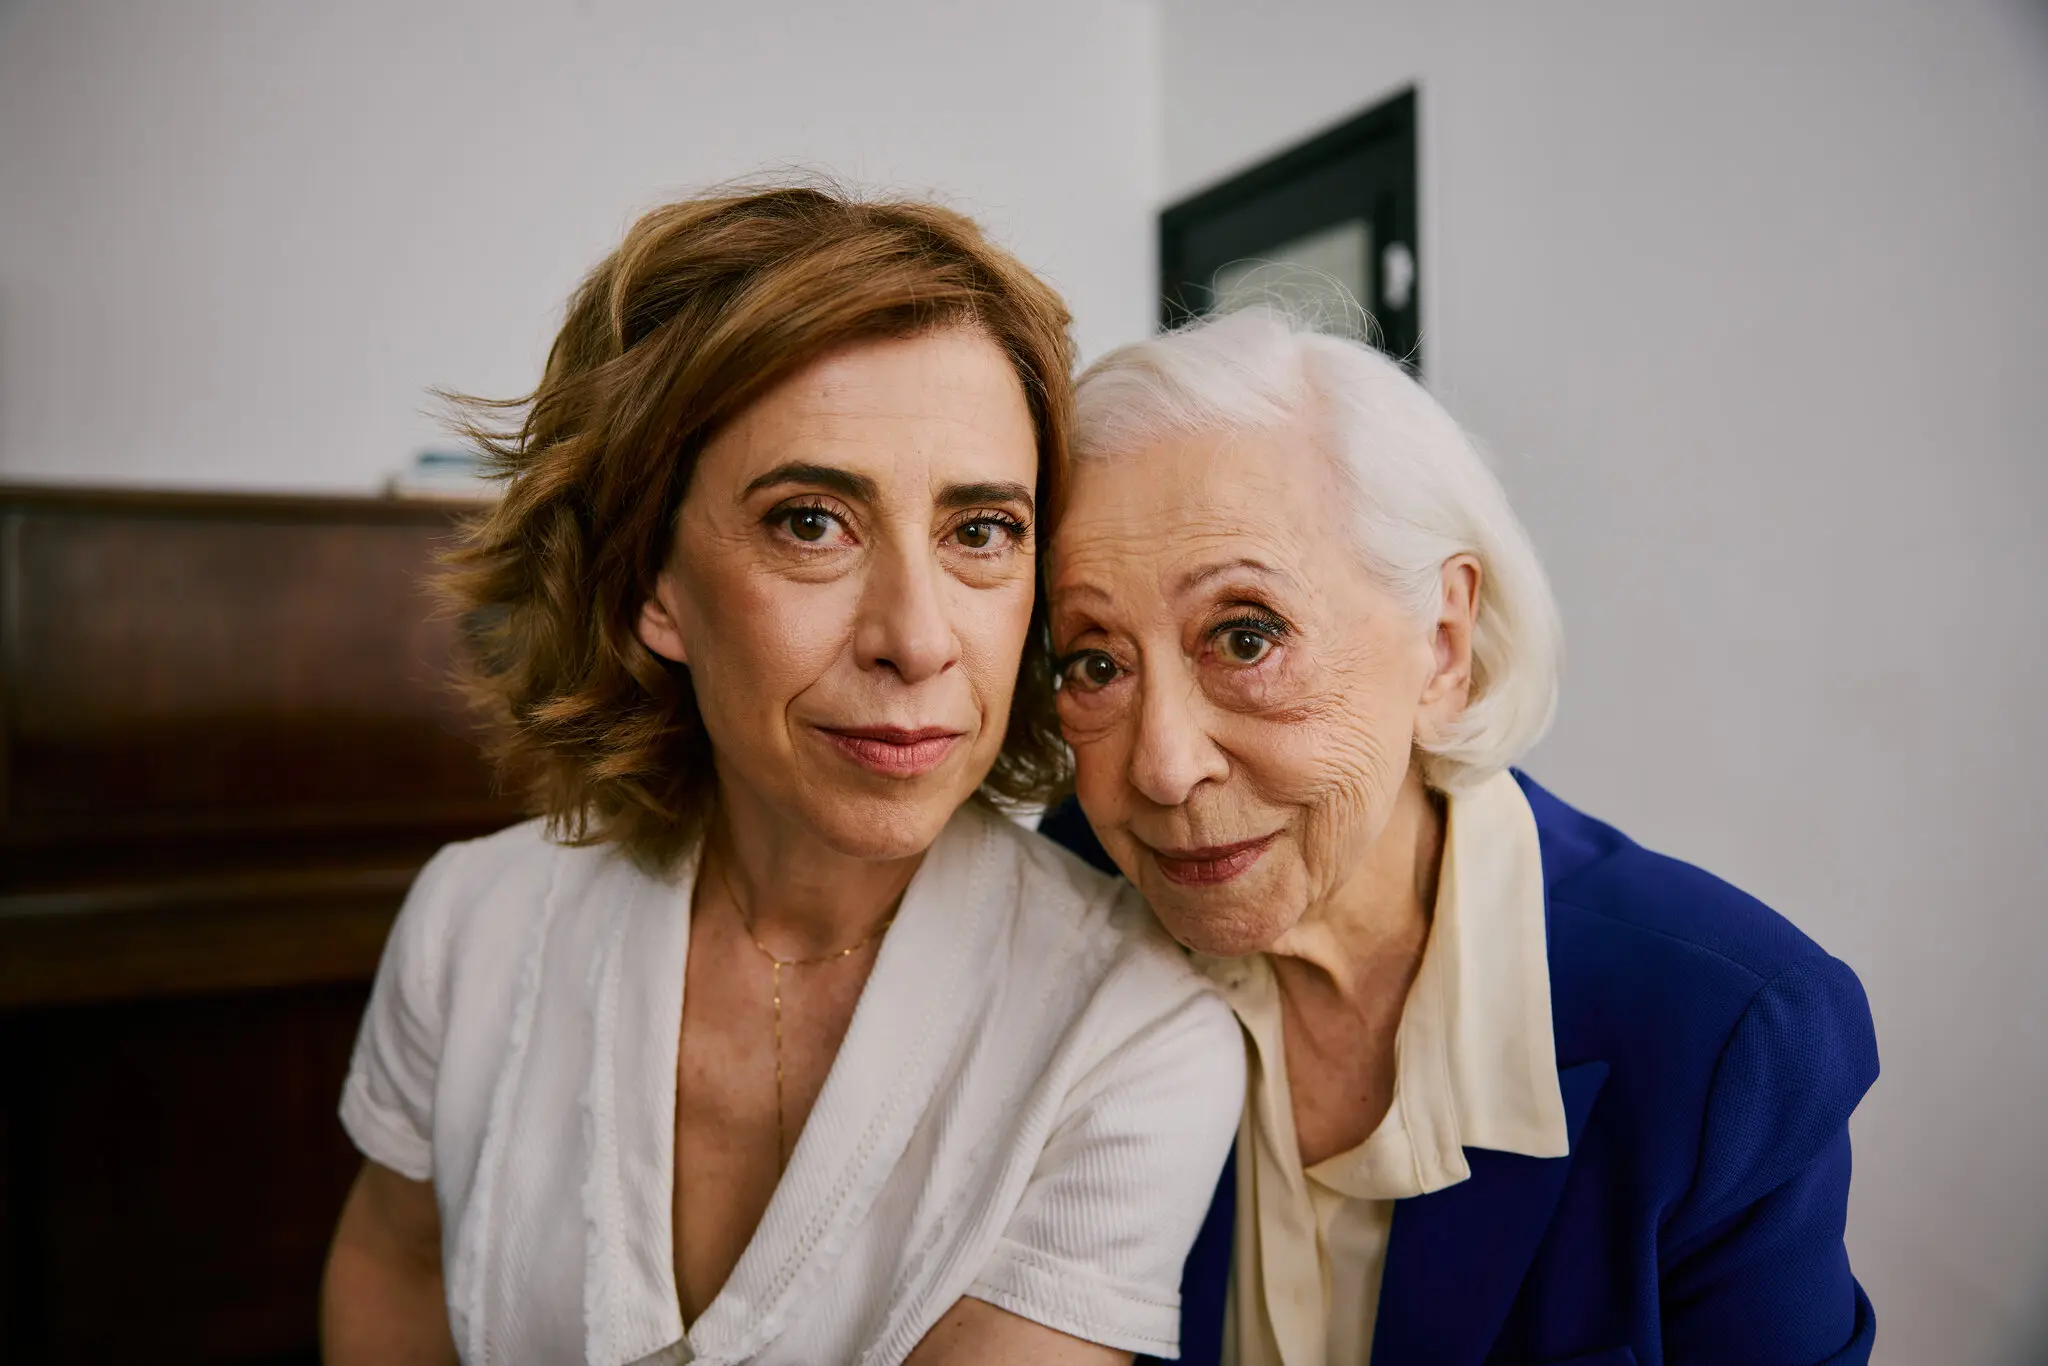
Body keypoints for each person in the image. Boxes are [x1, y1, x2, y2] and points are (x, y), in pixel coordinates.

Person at [319, 186, 1243, 1366]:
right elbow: (394, 1263)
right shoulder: (472, 924)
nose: (915, 638)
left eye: (979, 531)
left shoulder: (1133, 1026)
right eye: (812, 522)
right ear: (650, 583)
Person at [1038, 308, 1879, 1366]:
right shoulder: (1058, 914)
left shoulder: (1725, 1039)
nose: (1161, 765)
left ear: (1441, 646)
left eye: (1243, 636)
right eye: (1093, 663)